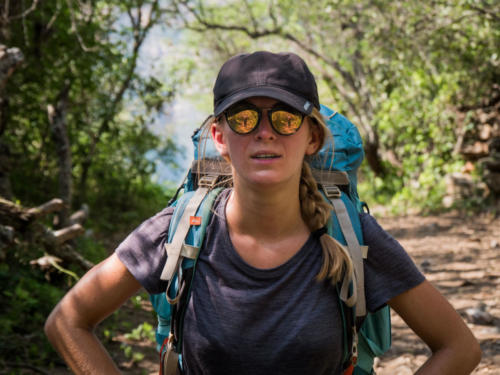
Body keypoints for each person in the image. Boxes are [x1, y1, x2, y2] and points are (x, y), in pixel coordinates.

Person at [45, 51, 481, 375]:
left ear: (312, 136)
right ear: (219, 135)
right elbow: (68, 321)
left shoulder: (351, 234)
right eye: (245, 117)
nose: (265, 133)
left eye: (285, 119)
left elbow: (458, 347)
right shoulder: (181, 230)